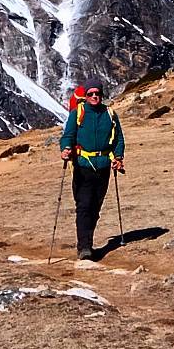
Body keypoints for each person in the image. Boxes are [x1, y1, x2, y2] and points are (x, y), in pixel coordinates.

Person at [60, 76, 125, 260]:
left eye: (97, 93)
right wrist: (65, 149)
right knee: (84, 206)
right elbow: (68, 136)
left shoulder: (110, 114)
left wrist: (118, 157)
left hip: (103, 166)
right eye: (91, 94)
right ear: (86, 96)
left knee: (95, 208)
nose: (94, 96)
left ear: (101, 94)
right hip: (83, 166)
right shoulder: (78, 113)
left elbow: (119, 139)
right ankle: (84, 247)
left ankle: (87, 242)